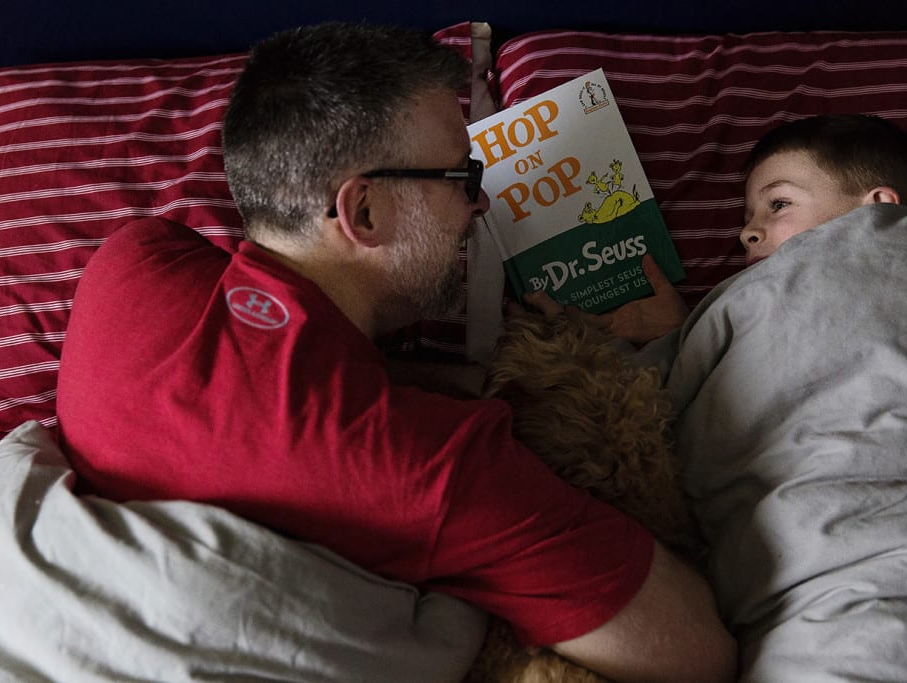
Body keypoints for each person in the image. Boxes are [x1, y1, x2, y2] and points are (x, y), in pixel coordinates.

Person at [55, 22, 735, 683]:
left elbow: (271, 382)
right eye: (460, 177)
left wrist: (462, 379)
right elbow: (694, 647)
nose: (479, 202)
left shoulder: (130, 262)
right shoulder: (434, 466)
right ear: (365, 212)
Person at [526, 113, 907, 342]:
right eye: (747, 219)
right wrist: (681, 337)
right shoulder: (735, 310)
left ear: (878, 207)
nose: (746, 234)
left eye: (778, 204)